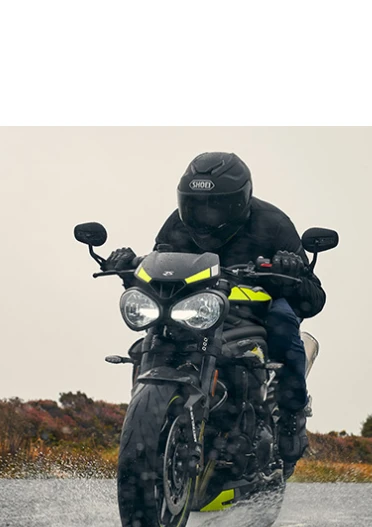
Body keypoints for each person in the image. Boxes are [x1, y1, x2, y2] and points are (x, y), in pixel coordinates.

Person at [103, 152, 327, 476]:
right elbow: (160, 269)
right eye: (196, 205)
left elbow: (314, 298)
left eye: (214, 206)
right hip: (197, 309)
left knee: (283, 322)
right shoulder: (176, 225)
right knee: (154, 332)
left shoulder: (273, 224)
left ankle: (292, 417)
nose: (204, 215)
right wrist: (129, 269)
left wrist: (290, 272)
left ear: (238, 202)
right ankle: (154, 417)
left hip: (256, 308)